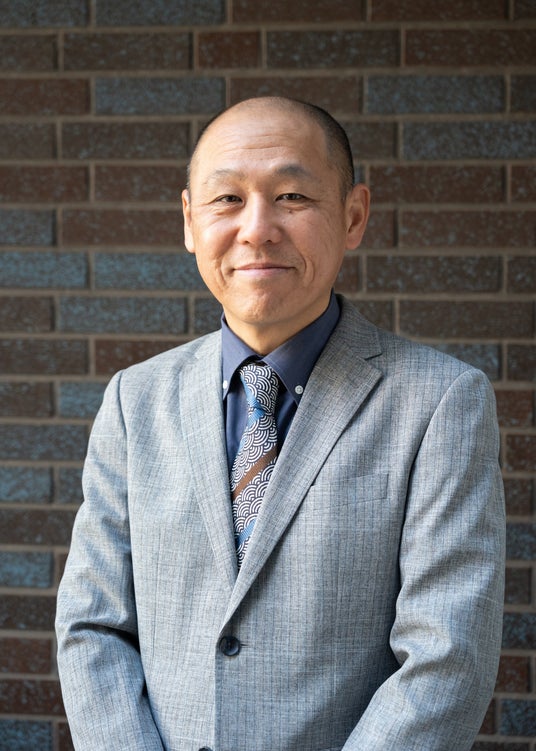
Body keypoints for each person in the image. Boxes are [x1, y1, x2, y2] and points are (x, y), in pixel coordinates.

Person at [56, 96, 505, 751]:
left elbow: (448, 658)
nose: (258, 229)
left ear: (353, 216)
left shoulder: (441, 403)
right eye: (228, 199)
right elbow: (92, 625)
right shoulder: (135, 400)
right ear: (190, 221)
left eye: (292, 196)